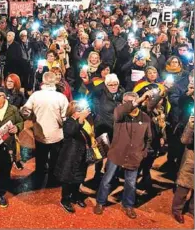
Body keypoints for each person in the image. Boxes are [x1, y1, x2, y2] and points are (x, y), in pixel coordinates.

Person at [94, 91, 153, 220]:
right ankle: (100, 202)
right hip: (116, 153)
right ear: (122, 103)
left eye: (132, 101)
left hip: (134, 156)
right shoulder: (119, 115)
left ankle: (128, 205)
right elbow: (118, 113)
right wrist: (137, 100)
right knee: (107, 180)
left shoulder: (145, 118)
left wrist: (143, 152)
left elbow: (149, 138)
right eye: (127, 102)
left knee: (131, 183)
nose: (130, 104)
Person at [22, 72, 69, 187]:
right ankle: (52, 181)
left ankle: (38, 177)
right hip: (56, 135)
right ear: (55, 82)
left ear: (43, 81)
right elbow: (65, 117)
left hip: (39, 134)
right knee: (55, 159)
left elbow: (26, 112)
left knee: (40, 158)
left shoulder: (35, 95)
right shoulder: (61, 97)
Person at [55, 100, 94, 213]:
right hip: (70, 156)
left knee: (79, 177)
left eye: (82, 110)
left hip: (82, 155)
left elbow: (90, 133)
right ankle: (65, 200)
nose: (82, 112)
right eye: (79, 110)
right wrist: (81, 119)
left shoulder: (86, 121)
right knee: (68, 179)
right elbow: (71, 131)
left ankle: (75, 196)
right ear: (72, 112)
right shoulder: (69, 122)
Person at [171, 115, 194, 224]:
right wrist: (190, 125)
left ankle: (192, 209)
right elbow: (184, 140)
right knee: (183, 187)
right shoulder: (192, 123)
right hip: (191, 160)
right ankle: (176, 211)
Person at [4, 73, 26, 170]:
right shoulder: (2, 92)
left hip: (14, 122)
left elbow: (24, 108)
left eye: (11, 81)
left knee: (15, 142)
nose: (8, 83)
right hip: (3, 121)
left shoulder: (20, 95)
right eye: (7, 81)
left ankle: (16, 160)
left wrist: (20, 117)